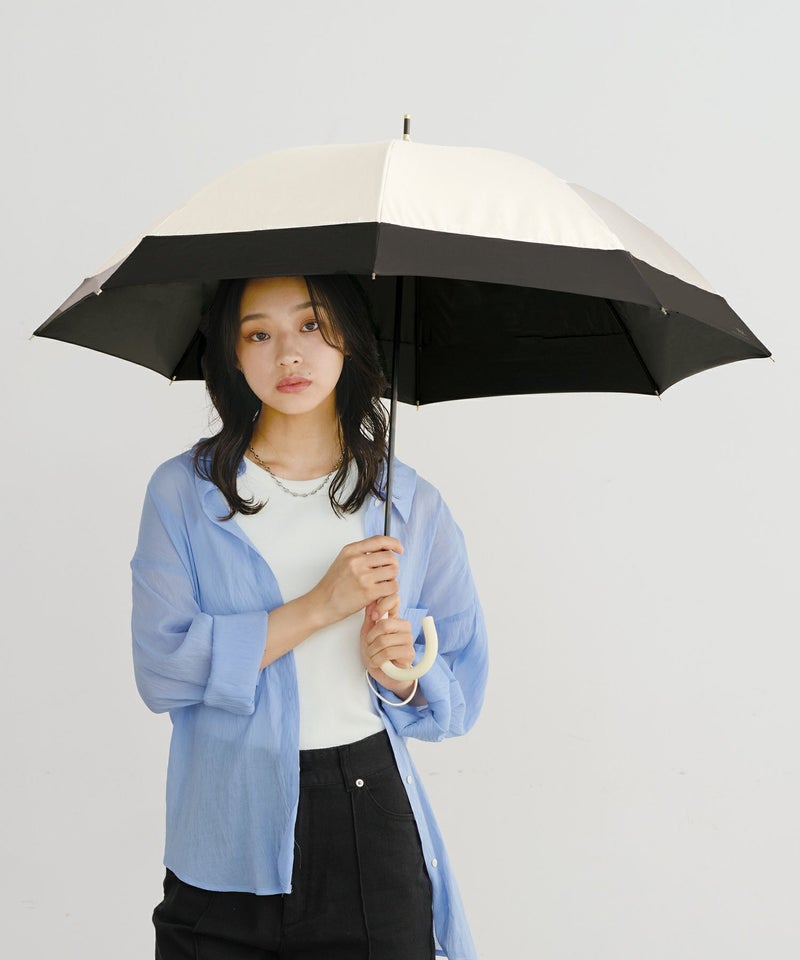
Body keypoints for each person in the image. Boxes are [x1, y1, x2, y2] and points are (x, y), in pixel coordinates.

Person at [130, 273, 489, 960]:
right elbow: (162, 671)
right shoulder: (183, 494)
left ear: (349, 337)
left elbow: (458, 689)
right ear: (233, 355)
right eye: (258, 333)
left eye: (312, 325)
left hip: (369, 818)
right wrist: (320, 606)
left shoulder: (408, 503)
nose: (288, 354)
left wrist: (400, 674)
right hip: (225, 831)